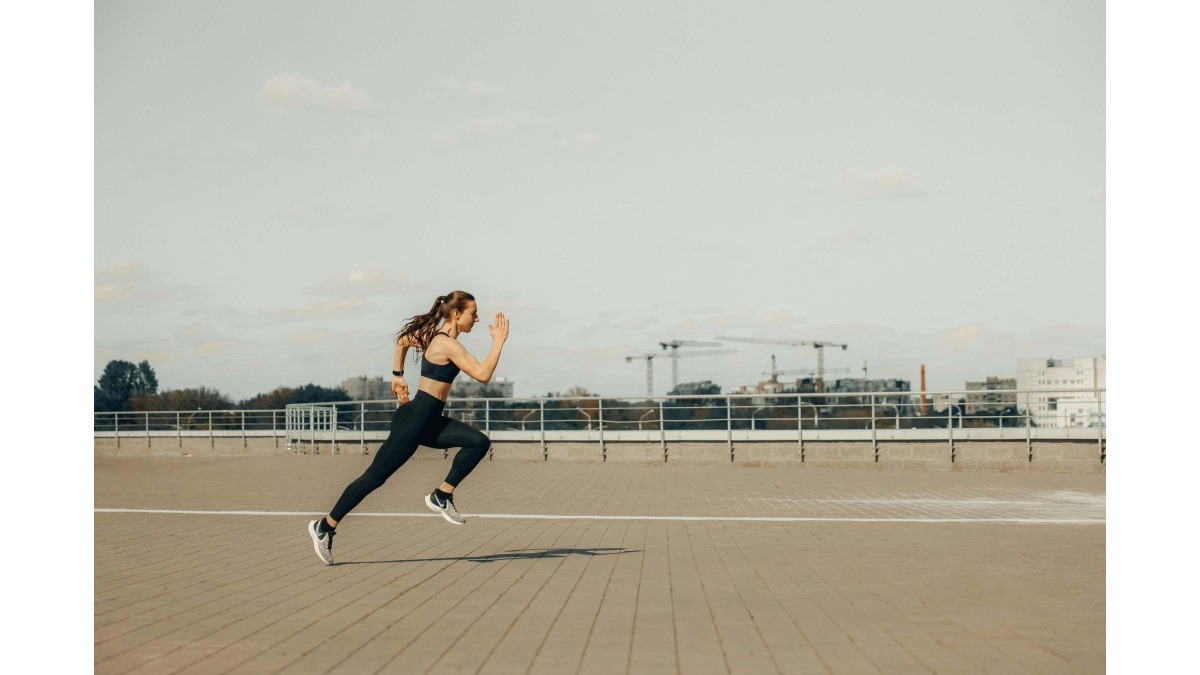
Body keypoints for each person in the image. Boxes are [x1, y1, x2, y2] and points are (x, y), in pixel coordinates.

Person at [307, 291, 509, 565]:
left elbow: (401, 341)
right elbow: (483, 375)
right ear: (456, 314)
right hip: (414, 422)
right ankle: (325, 526)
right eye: (473, 313)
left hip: (429, 420)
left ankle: (441, 495)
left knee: (478, 442)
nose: (477, 318)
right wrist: (498, 343)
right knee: (374, 479)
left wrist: (397, 376)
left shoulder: (435, 339)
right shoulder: (446, 344)